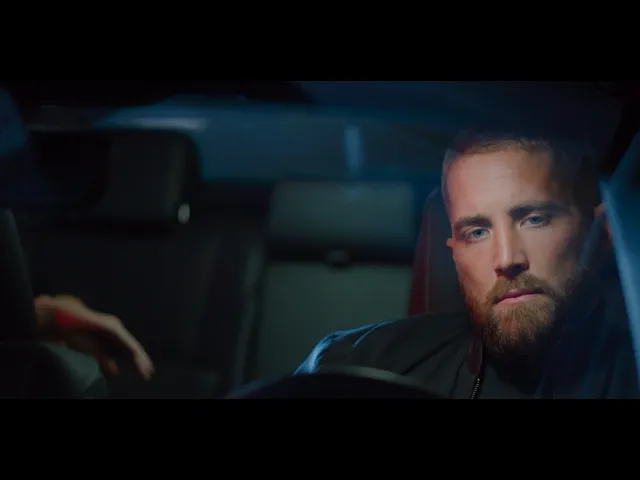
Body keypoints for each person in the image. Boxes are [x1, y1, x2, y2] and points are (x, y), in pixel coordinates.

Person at [296, 130, 636, 399]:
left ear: (604, 234)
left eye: (534, 219)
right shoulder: (358, 367)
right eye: (477, 232)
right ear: (455, 253)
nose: (507, 259)